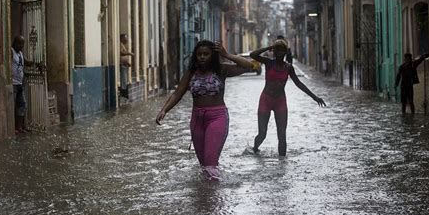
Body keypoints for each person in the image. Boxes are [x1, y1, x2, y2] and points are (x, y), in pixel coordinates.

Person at [156, 40, 252, 180]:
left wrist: (226, 54)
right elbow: (177, 93)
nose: (202, 57)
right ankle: (204, 197)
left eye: (206, 54)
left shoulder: (222, 69)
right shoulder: (191, 73)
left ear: (212, 55)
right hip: (197, 120)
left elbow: (248, 66)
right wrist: (164, 110)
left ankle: (213, 198)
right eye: (199, 54)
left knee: (210, 165)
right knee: (203, 166)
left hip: (217, 118)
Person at [250, 39, 326, 156]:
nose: (280, 53)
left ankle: (282, 163)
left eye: (282, 51)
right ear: (274, 52)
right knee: (262, 134)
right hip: (266, 100)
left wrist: (315, 97)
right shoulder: (269, 63)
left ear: (285, 52)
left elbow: (299, 84)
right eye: (278, 50)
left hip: (280, 101)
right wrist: (269, 47)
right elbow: (253, 55)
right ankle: (254, 149)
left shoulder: (288, 67)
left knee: (282, 134)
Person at [11, 35, 41, 134]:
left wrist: (36, 63)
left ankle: (19, 127)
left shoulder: (20, 54)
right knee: (12, 105)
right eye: (19, 43)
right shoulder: (11, 52)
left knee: (23, 105)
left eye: (22, 44)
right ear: (14, 43)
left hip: (20, 84)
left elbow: (28, 62)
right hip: (13, 84)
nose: (21, 46)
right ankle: (13, 128)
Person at [119, 33, 134, 99]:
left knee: (125, 81)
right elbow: (121, 53)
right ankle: (123, 95)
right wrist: (129, 53)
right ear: (122, 38)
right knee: (123, 81)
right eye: (125, 39)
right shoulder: (120, 44)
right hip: (122, 66)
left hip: (125, 66)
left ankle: (125, 95)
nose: (127, 40)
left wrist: (127, 62)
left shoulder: (122, 45)